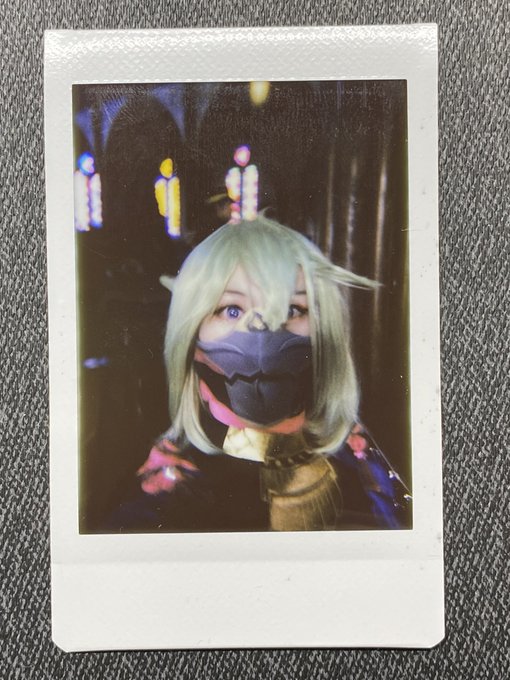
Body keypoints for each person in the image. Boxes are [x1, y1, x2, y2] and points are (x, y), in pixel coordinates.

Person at [112, 215, 411, 532]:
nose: (262, 332)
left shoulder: (360, 455)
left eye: (292, 309)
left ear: (326, 330)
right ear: (190, 334)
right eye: (232, 310)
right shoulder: (169, 495)